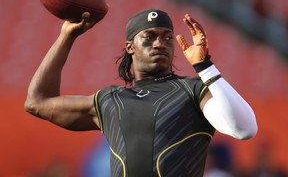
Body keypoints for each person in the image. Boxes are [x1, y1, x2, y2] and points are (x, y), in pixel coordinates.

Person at [25, 9, 258, 177]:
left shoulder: (193, 89)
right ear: (130, 47)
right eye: (149, 37)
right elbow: (37, 102)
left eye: (167, 38)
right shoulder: (110, 100)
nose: (160, 43)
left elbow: (244, 129)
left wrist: (205, 67)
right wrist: (67, 35)